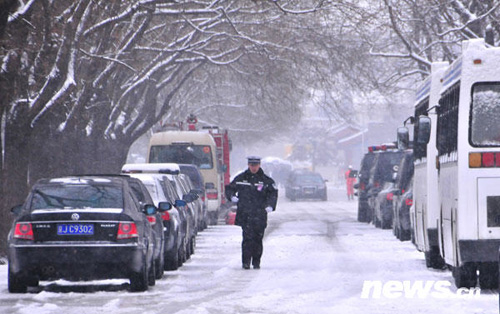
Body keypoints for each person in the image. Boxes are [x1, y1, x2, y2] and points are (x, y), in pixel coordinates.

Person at [225, 156, 278, 269]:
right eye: (251, 165)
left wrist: (270, 206)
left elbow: (273, 194)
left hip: (260, 214)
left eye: (256, 165)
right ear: (249, 165)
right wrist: (232, 197)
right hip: (246, 214)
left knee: (258, 239)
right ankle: (246, 262)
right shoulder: (241, 178)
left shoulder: (266, 180)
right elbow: (230, 188)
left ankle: (256, 261)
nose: (253, 168)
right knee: (247, 238)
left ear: (259, 165)